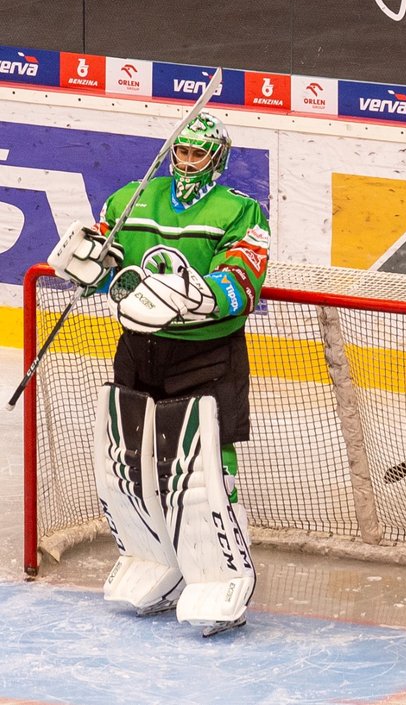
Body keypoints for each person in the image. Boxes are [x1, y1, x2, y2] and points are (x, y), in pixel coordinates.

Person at [46, 110, 268, 634]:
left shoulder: (240, 210)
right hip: (138, 349)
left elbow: (243, 281)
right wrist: (90, 264)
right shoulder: (129, 198)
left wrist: (197, 295)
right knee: (133, 462)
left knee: (205, 467)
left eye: (197, 153)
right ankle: (159, 560)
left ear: (217, 158)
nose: (186, 162)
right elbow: (110, 266)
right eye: (182, 152)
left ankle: (222, 572)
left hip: (206, 353)